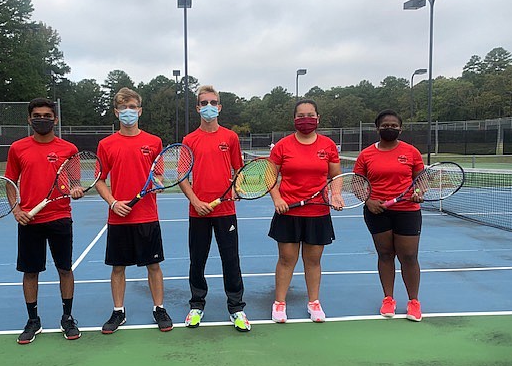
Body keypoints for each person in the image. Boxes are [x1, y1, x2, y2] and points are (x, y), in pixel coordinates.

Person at [95, 87, 173, 333]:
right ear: (116, 112)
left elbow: (158, 175)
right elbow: (99, 179)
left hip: (147, 216)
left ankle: (158, 308)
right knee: (118, 268)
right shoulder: (106, 144)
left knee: (154, 266)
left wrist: (158, 184)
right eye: (123, 108)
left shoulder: (154, 142)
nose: (128, 112)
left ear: (139, 111)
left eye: (132, 107)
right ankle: (119, 311)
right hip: (118, 217)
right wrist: (113, 202)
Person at [5, 97, 83, 344]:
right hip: (29, 221)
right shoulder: (18, 148)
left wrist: (77, 190)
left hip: (60, 217)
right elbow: (9, 183)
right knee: (30, 272)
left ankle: (67, 317)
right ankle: (33, 320)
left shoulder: (69, 149)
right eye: (37, 115)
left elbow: (75, 182)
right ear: (29, 119)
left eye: (47, 116)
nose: (42, 119)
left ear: (55, 119)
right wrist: (16, 210)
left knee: (65, 269)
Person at [179, 85, 251, 332]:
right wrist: (195, 202)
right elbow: (182, 176)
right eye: (203, 102)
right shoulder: (189, 140)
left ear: (219, 107)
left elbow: (238, 171)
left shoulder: (230, 137)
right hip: (197, 212)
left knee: (230, 260)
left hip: (225, 211)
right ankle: (197, 305)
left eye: (212, 102)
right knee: (197, 261)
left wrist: (236, 188)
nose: (208, 106)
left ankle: (236, 308)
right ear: (198, 107)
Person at [268, 99, 341, 324]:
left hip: (318, 212)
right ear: (294, 119)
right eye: (301, 116)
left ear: (318, 118)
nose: (305, 119)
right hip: (288, 211)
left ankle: (314, 303)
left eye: (310, 115)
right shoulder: (283, 146)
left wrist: (336, 194)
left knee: (313, 261)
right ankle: (279, 304)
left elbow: (336, 176)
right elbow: (270, 175)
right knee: (286, 259)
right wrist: (278, 198)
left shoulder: (327, 145)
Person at [353, 109, 425, 321]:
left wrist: (419, 192)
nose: (390, 128)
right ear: (377, 128)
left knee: (409, 256)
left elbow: (421, 178)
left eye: (394, 125)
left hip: (407, 211)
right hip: (377, 211)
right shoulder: (366, 154)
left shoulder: (411, 152)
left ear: (400, 128)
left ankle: (414, 302)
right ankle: (388, 299)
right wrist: (368, 201)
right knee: (385, 254)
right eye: (385, 125)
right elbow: (357, 183)